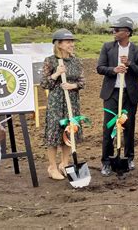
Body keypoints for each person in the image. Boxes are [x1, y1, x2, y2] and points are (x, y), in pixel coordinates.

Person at [97, 17, 138, 176]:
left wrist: (130, 64)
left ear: (127, 32)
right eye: (114, 30)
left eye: (117, 30)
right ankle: (106, 161)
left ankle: (129, 157)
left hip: (129, 95)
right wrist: (114, 70)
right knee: (108, 127)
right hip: (111, 93)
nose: (114, 32)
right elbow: (99, 68)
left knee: (128, 127)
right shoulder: (107, 47)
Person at [40, 29, 84, 180]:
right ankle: (52, 167)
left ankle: (65, 164)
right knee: (54, 134)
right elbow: (44, 84)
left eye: (72, 41)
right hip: (56, 102)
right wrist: (57, 74)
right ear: (58, 44)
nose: (71, 44)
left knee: (68, 132)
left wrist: (73, 86)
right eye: (68, 42)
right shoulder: (50, 61)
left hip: (72, 101)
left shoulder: (77, 61)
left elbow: (82, 81)